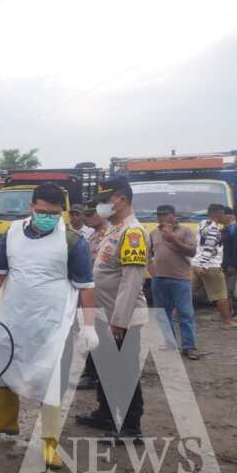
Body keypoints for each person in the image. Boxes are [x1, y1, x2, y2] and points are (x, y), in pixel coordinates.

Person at [0, 182, 97, 470]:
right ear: (31, 207)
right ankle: (7, 422)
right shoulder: (12, 233)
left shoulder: (73, 241)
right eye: (42, 211)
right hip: (12, 316)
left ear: (62, 212)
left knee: (49, 378)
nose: (48, 217)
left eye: (54, 213)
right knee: (1, 366)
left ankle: (49, 444)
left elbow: (86, 286)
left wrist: (89, 325)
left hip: (51, 322)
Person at [76, 176, 148, 441]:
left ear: (122, 200)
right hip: (105, 314)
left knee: (124, 370)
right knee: (105, 366)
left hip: (122, 318)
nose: (101, 206)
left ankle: (130, 427)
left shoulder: (133, 234)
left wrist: (120, 321)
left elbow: (132, 281)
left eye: (106, 201)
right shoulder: (113, 230)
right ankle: (105, 413)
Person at [148, 205, 199, 359]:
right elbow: (149, 253)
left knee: (185, 313)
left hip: (180, 278)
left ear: (174, 215)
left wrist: (173, 239)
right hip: (159, 279)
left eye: (165, 214)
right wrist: (151, 269)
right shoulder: (153, 233)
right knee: (163, 313)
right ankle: (169, 343)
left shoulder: (185, 231)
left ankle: (189, 347)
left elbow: (192, 251)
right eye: (159, 215)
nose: (161, 217)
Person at [77, 202, 111, 389]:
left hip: (103, 293)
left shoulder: (108, 235)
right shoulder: (92, 235)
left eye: (91, 215)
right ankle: (91, 372)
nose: (87, 218)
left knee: (99, 334)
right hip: (92, 291)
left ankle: (93, 375)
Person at [191, 203, 236, 329]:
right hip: (210, 266)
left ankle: (176, 313)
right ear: (218, 214)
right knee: (221, 294)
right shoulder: (214, 230)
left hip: (196, 264)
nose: (224, 217)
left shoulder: (202, 224)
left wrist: (199, 265)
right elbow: (209, 248)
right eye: (223, 214)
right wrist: (203, 266)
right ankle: (227, 321)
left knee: (191, 291)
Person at [221, 206, 237, 307]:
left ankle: (229, 312)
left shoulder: (232, 229)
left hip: (231, 265)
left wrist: (232, 265)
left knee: (228, 290)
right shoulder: (227, 229)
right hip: (228, 264)